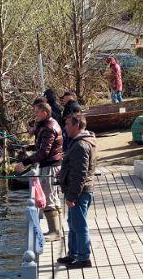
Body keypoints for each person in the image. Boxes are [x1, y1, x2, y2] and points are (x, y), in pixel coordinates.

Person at [14, 102, 63, 242]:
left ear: (44, 113)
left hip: (49, 166)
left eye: (36, 112)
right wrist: (30, 145)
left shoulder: (49, 128)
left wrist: (24, 163)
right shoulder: (49, 124)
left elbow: (43, 152)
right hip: (52, 164)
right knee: (53, 198)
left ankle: (54, 232)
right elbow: (44, 144)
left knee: (48, 199)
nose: (34, 115)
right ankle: (57, 230)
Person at [57, 113, 96, 269]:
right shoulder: (79, 142)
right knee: (73, 224)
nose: (65, 128)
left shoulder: (81, 145)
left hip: (79, 193)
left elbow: (81, 174)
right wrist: (63, 173)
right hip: (77, 191)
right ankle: (73, 254)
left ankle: (84, 258)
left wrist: (72, 196)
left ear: (77, 125)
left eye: (67, 125)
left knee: (80, 226)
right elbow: (75, 167)